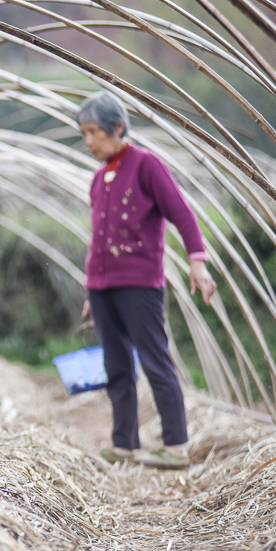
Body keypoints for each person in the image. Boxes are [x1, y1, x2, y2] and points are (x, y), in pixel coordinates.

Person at [78, 91, 216, 470]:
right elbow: (98, 239)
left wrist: (197, 261)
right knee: (116, 365)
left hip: (139, 285)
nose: (89, 141)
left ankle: (175, 446)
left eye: (94, 132)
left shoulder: (145, 165)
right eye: (83, 133)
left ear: (117, 127)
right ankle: (124, 443)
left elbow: (181, 213)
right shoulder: (98, 178)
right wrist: (93, 288)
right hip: (102, 288)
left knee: (155, 361)